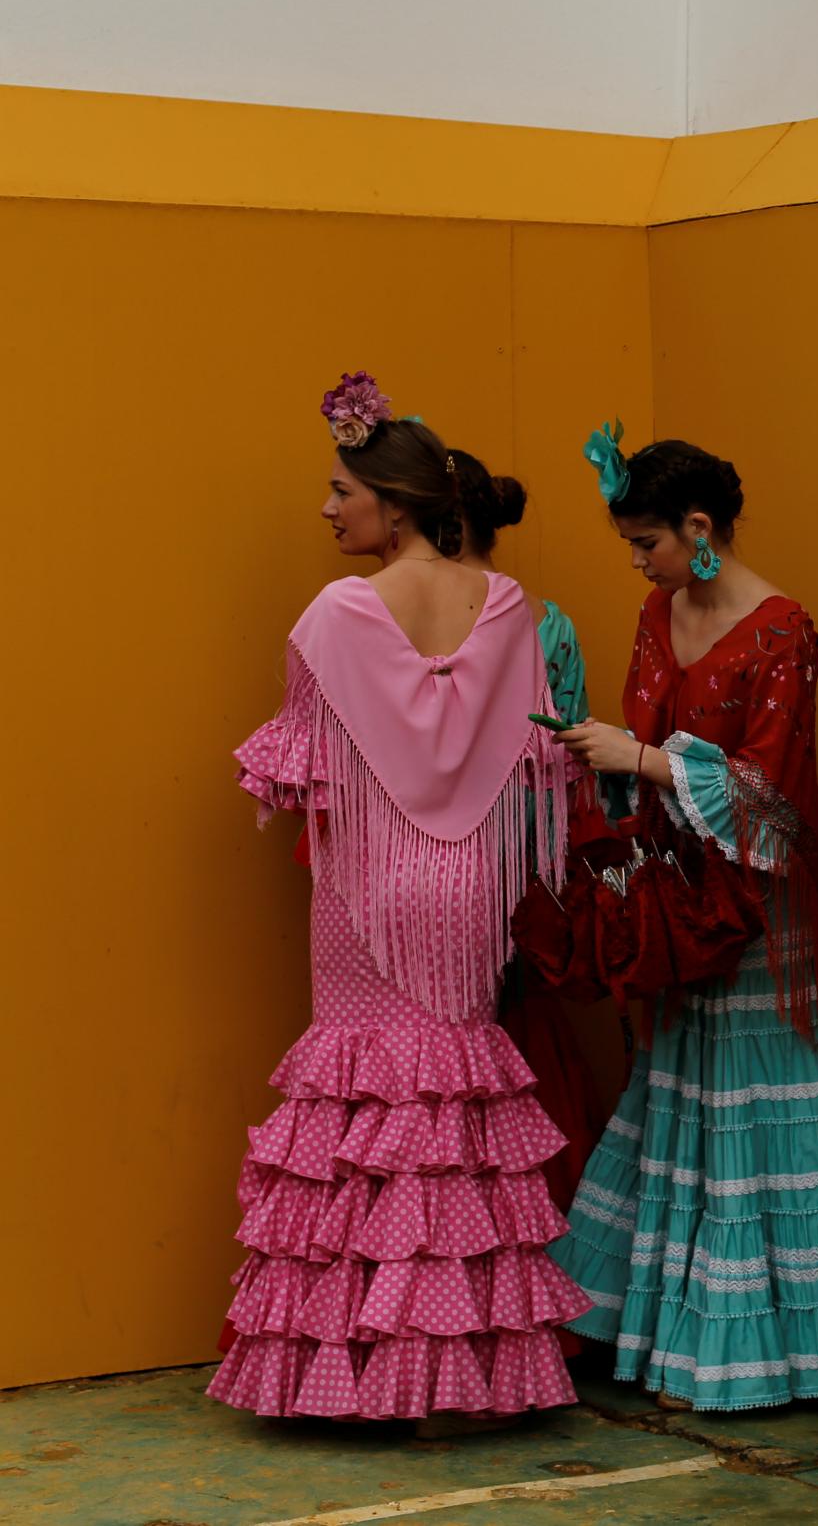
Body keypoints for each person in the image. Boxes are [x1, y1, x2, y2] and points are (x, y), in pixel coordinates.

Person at [211, 375, 589, 1421]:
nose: (328, 510)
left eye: (341, 490)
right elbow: (533, 752)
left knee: (365, 1096)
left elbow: (299, 765)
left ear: (396, 499)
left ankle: (365, 1369)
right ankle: (465, 1374)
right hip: (469, 876)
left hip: (368, 880)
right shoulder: (506, 605)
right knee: (452, 1095)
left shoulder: (338, 612)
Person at [544, 429, 818, 1412]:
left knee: (749, 1123)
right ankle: (669, 1336)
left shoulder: (783, 632)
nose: (638, 564)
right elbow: (647, 743)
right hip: (677, 906)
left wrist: (638, 761)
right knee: (681, 1102)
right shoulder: (658, 609)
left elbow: (772, 799)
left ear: (699, 529)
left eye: (646, 542)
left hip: (759, 919)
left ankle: (774, 1356)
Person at [449, 448, 607, 1217]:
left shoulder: (409, 628)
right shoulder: (550, 625)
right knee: (526, 1049)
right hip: (524, 867)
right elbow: (566, 773)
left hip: (449, 869)